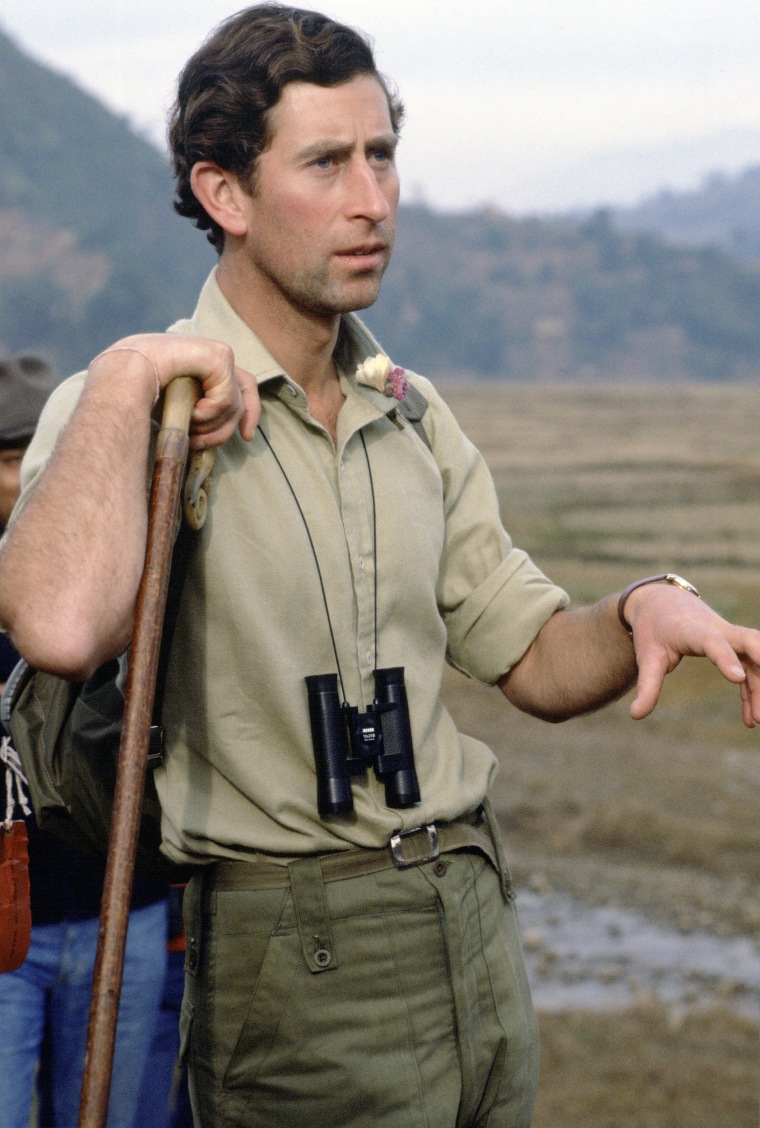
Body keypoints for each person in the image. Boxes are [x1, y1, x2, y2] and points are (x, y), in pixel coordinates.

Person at [1, 7, 759, 1127]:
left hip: (470, 917)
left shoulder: (412, 414)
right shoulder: (145, 408)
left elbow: (532, 655)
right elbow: (58, 627)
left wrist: (643, 604)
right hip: (288, 946)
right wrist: (123, 377)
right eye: (326, 163)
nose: (373, 199)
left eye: (382, 156)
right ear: (225, 195)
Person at [0, 354, 170, 1128]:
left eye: (47, 453)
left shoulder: (133, 550)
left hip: (120, 916)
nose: (27, 475)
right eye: (10, 459)